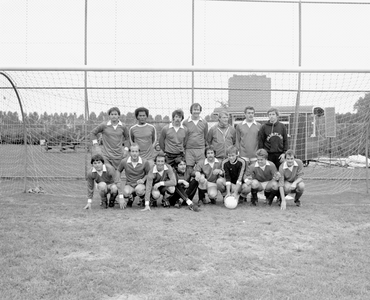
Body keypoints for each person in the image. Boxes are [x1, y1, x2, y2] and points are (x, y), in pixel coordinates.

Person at [116, 143, 151, 209]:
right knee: (125, 192)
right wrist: (118, 180)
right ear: (129, 152)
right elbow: (118, 171)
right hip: (129, 184)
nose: (134, 153)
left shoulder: (145, 162)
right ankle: (130, 198)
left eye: (136, 151)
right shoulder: (124, 161)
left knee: (139, 190)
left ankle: (142, 199)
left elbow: (148, 174)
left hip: (139, 185)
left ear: (139, 152)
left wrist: (143, 180)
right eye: (132, 151)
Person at [182, 103, 208, 178]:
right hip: (189, 149)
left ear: (200, 111)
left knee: (201, 169)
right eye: (194, 110)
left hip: (200, 149)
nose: (196, 111)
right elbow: (184, 136)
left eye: (198, 110)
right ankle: (187, 186)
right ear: (191, 111)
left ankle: (201, 188)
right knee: (189, 169)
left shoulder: (204, 122)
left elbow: (205, 136)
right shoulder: (185, 122)